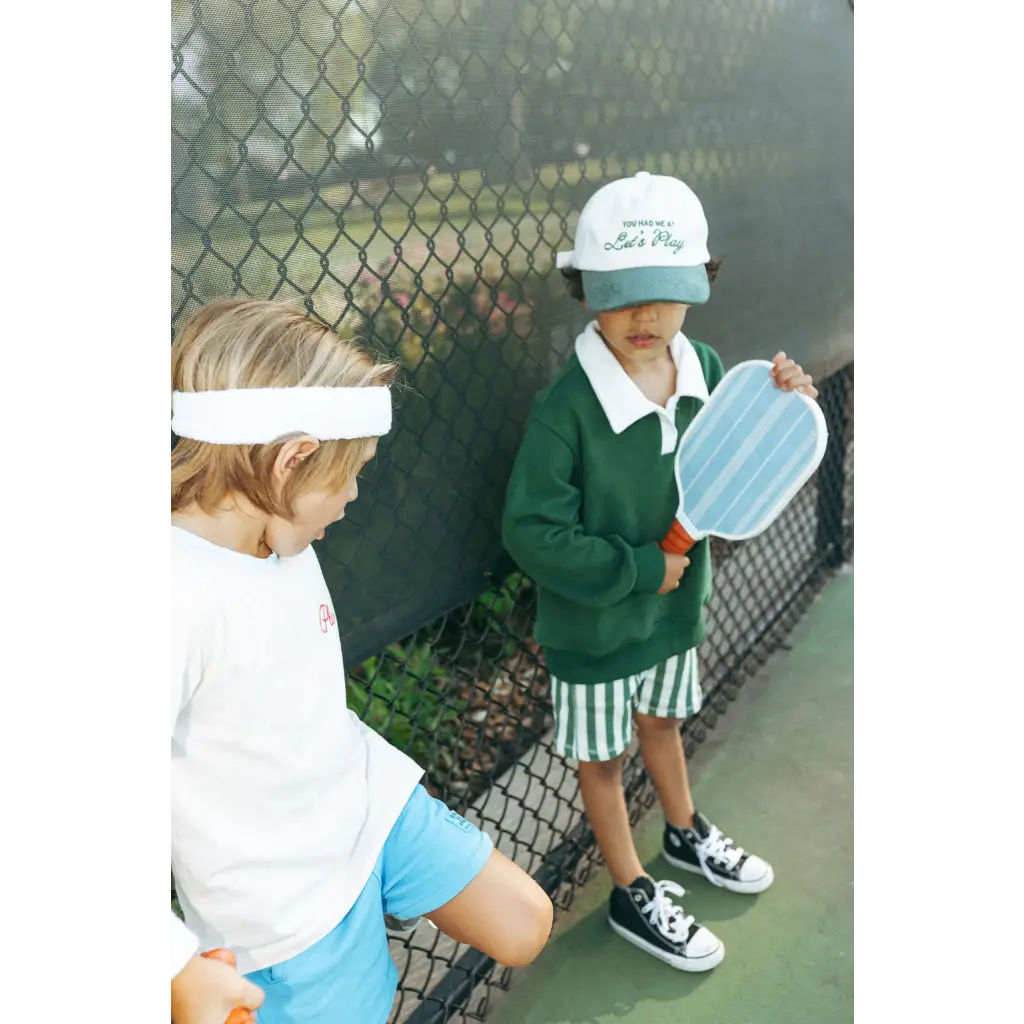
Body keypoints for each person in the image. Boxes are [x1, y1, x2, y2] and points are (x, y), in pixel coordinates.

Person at [168, 297, 552, 1023]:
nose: (351, 498)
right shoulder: (178, 593)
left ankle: (384, 895)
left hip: (370, 808)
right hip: (280, 911)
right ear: (292, 458)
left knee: (522, 923)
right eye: (348, 475)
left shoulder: (276, 531)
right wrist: (179, 966)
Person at [501, 171, 817, 971]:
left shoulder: (706, 364)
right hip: (595, 630)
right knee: (603, 761)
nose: (647, 316)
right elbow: (530, 533)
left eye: (666, 294)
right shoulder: (565, 410)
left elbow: (745, 447)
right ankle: (630, 886)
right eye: (624, 294)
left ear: (698, 284)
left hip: (672, 620)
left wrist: (784, 398)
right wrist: (640, 568)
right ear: (585, 291)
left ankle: (682, 834)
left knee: (663, 725)